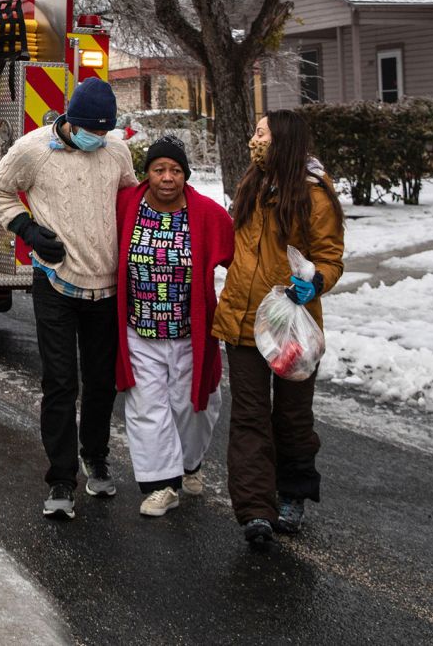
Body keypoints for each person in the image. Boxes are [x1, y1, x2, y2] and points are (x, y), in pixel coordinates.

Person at [0, 76, 138, 520]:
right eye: (92, 129)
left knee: (101, 380)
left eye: (104, 131)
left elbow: (128, 195)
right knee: (60, 381)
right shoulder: (33, 150)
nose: (97, 138)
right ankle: (60, 479)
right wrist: (26, 229)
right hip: (56, 281)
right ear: (70, 120)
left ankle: (96, 456)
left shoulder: (116, 151)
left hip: (107, 284)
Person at [212, 110, 345, 547]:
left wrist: (315, 283)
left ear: (282, 140)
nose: (254, 139)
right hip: (244, 319)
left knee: (291, 416)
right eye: (254, 131)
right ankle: (255, 511)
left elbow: (330, 257)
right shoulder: (252, 182)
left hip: (290, 324)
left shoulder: (313, 195)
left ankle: (292, 493)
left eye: (261, 133)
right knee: (248, 417)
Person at [113, 136, 234, 517]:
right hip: (140, 331)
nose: (168, 177)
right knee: (148, 408)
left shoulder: (208, 214)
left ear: (186, 175)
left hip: (189, 334)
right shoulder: (126, 205)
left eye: (176, 170)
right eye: (159, 169)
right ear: (146, 174)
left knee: (194, 407)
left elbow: (242, 261)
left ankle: (189, 464)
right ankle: (160, 485)